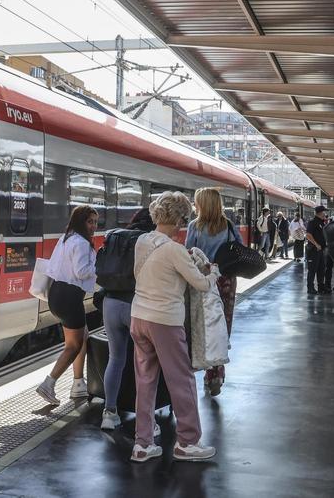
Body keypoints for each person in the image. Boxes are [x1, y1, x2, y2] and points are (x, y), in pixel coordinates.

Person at [130, 191, 217, 463]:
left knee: (145, 381)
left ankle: (142, 444)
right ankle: (188, 442)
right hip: (164, 321)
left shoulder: (142, 241)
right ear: (179, 219)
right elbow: (202, 284)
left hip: (138, 317)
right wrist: (212, 270)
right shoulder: (175, 250)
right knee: (182, 380)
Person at [98, 208, 155, 431]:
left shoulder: (115, 235)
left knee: (116, 358)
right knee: (145, 361)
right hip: (136, 303)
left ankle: (109, 413)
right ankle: (146, 419)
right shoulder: (150, 241)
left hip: (110, 302)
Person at [37, 205, 99, 404]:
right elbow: (82, 272)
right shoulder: (81, 243)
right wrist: (100, 266)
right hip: (70, 297)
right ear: (81, 221)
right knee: (74, 345)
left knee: (82, 336)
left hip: (57, 294)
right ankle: (49, 383)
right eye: (90, 222)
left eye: (96, 222)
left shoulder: (67, 238)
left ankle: (78, 384)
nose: (93, 226)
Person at [185, 187, 240, 397]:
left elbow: (188, 253)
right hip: (225, 281)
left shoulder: (195, 226)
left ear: (202, 204)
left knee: (203, 325)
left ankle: (206, 368)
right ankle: (217, 373)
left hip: (203, 282)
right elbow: (240, 249)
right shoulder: (228, 226)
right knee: (222, 325)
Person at [305, 206, 328, 295]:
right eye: (324, 212)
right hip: (313, 250)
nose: (325, 214)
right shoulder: (312, 222)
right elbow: (308, 235)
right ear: (320, 212)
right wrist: (316, 244)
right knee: (312, 270)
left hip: (321, 250)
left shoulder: (321, 222)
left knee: (321, 269)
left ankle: (321, 287)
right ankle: (310, 288)